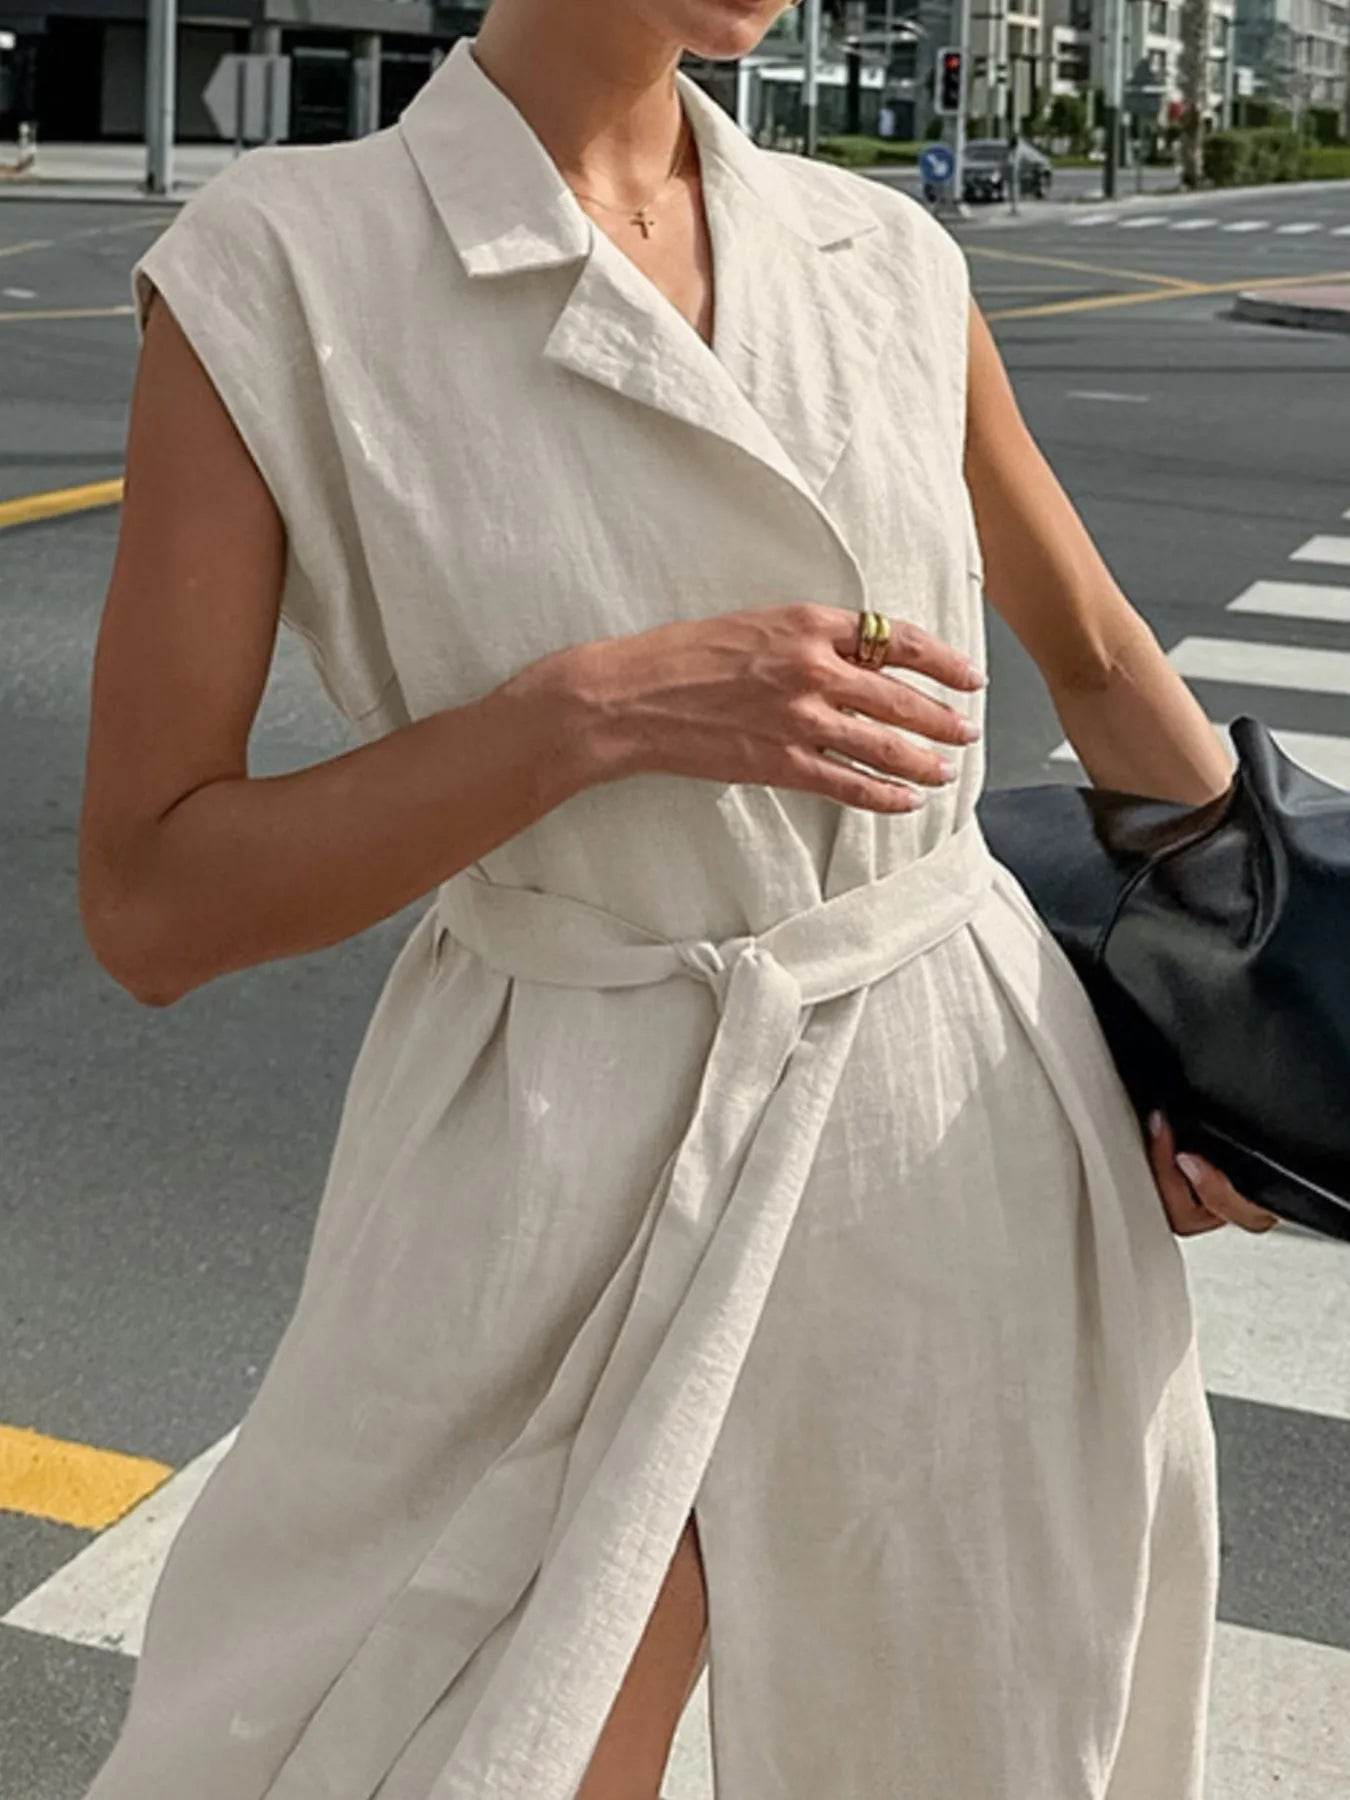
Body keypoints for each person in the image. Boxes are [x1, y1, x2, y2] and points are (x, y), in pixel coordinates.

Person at [78, 3, 1280, 1798]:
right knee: (444, 1737)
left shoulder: (880, 250)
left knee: (972, 1740)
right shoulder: (281, 266)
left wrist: (1257, 1057)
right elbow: (152, 900)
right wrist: (589, 718)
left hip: (950, 1106)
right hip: (551, 1131)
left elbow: (1099, 660)